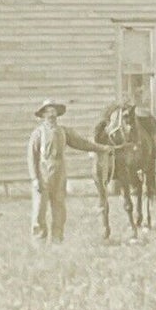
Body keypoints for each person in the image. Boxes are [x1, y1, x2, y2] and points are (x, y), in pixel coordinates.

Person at [28, 99, 108, 243]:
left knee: (59, 205)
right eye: (48, 111)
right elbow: (31, 157)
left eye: (54, 111)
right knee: (40, 207)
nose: (52, 114)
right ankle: (39, 239)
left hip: (59, 171)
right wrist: (35, 178)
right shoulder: (38, 134)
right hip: (43, 171)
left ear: (57, 114)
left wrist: (102, 148)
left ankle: (57, 238)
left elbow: (82, 143)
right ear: (43, 115)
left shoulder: (63, 131)